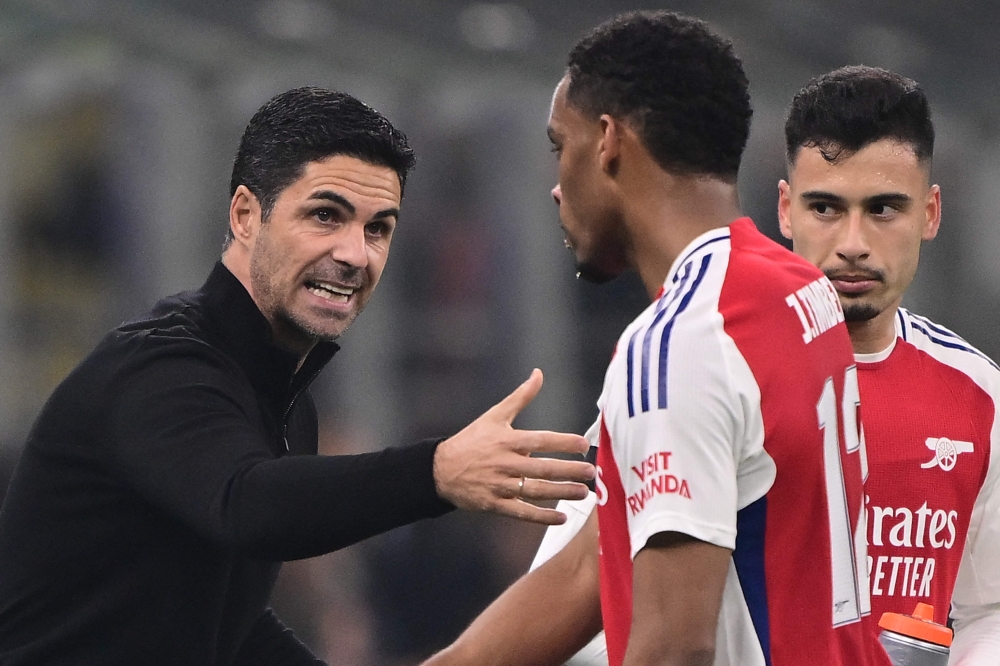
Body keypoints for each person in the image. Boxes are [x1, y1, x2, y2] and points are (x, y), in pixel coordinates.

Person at [0, 87, 595, 665]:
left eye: (377, 228)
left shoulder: (282, 400)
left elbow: (223, 621)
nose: (355, 253)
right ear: (245, 215)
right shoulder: (160, 367)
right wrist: (436, 472)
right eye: (325, 216)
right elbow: (248, 504)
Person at [423, 12, 890, 666]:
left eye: (562, 146)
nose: (557, 186)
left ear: (609, 141)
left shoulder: (682, 342)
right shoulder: (796, 288)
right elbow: (592, 563)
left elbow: (674, 648)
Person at [778, 65, 1000, 664]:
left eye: (883, 210)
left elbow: (991, 609)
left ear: (930, 213)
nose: (853, 242)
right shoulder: (712, 373)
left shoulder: (980, 395)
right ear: (785, 210)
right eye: (825, 208)